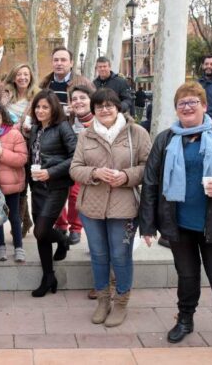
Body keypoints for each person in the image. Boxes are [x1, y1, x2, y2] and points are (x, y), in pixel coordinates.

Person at [139, 82, 212, 358]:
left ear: (204, 106)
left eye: (193, 102)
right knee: (187, 276)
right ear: (176, 109)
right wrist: (148, 225)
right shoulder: (166, 139)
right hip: (178, 223)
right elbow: (151, 182)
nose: (187, 107)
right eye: (182, 103)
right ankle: (185, 319)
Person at [71, 88, 151, 327]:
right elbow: (75, 168)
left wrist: (126, 176)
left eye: (109, 105)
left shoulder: (136, 133)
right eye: (99, 106)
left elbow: (148, 166)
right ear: (93, 110)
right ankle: (103, 300)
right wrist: (94, 173)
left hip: (124, 206)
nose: (104, 110)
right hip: (92, 206)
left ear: (118, 107)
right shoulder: (86, 135)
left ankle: (121, 302)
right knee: (98, 255)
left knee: (120, 255)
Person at [27, 89, 77, 297]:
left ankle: (63, 240)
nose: (40, 110)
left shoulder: (63, 127)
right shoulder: (35, 129)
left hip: (56, 186)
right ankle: (48, 277)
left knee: (40, 230)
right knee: (41, 236)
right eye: (37, 107)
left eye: (45, 107)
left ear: (53, 108)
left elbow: (75, 157)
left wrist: (51, 172)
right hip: (37, 186)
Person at [1, 63, 40, 238]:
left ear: (30, 76)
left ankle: (21, 222)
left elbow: (43, 118)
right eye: (19, 74)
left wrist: (28, 127)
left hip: (27, 145)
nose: (22, 77)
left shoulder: (37, 96)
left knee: (22, 186)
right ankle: (25, 220)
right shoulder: (5, 93)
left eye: (26, 74)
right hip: (6, 145)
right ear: (13, 77)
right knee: (12, 184)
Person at [54, 85, 95, 246]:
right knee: (58, 194)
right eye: (75, 99)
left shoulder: (98, 119)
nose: (78, 102)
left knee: (75, 195)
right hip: (64, 160)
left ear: (91, 100)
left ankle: (76, 228)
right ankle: (61, 224)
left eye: (83, 98)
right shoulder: (66, 118)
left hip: (84, 165)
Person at [0, 104, 28, 262]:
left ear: (3, 117)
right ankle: (0, 246)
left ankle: (18, 247)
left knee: (14, 216)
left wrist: (1, 153)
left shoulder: (14, 134)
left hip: (12, 185)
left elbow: (22, 159)